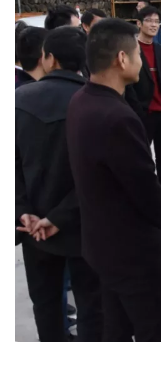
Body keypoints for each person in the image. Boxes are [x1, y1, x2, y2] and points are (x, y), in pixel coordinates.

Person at [66, 19, 161, 342]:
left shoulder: (81, 99)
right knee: (154, 331)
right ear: (122, 58)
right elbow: (142, 183)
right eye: (138, 55)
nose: (141, 62)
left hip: (102, 245)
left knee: (115, 329)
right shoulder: (117, 116)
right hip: (132, 253)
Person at [16, 27, 103, 342]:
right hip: (84, 225)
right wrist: (60, 216)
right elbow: (100, 175)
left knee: (47, 305)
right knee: (93, 306)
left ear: (48, 58)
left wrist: (23, 211)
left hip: (34, 228)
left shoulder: (18, 100)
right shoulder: (99, 102)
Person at [125, 6, 161, 208]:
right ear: (139, 24)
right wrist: (137, 110)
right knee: (142, 156)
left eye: (157, 21)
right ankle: (145, 194)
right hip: (143, 111)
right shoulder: (131, 48)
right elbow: (128, 83)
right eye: (149, 20)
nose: (154, 25)